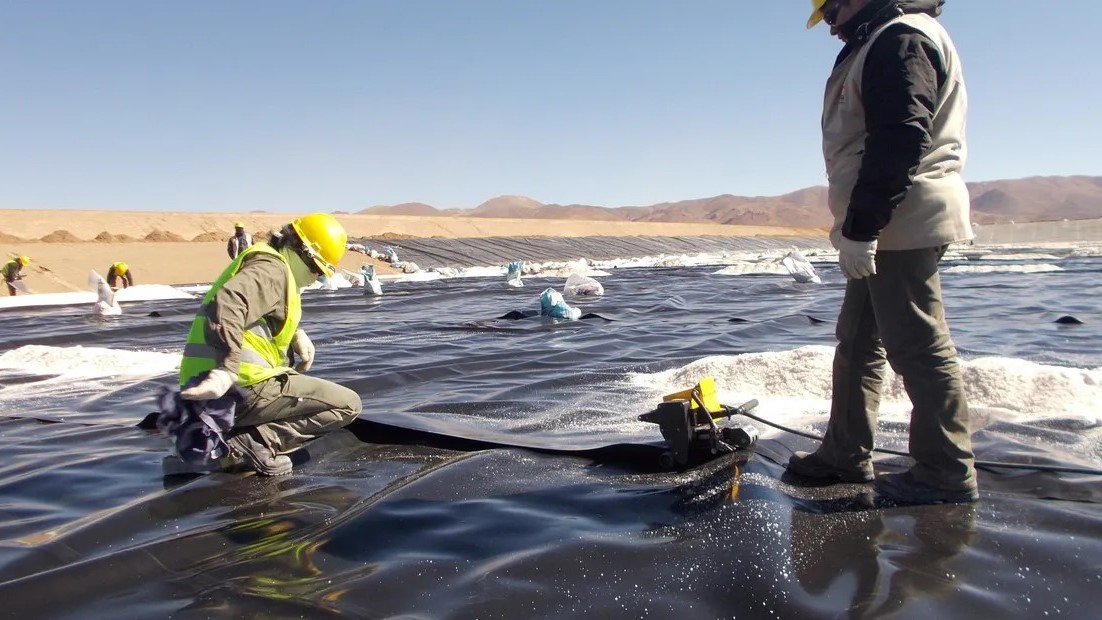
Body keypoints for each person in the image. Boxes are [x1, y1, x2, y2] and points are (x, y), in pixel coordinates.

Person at [785, 0, 977, 505]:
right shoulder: (877, 39)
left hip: (901, 218)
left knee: (916, 343)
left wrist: (864, 227)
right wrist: (860, 225)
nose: (830, 28)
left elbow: (901, 137)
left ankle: (945, 471)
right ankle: (844, 453)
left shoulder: (901, 39)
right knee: (857, 339)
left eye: (831, 14)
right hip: (883, 218)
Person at [171, 212, 362, 476]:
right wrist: (226, 370)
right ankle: (256, 440)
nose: (315, 279)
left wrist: (295, 334)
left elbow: (254, 309)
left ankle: (231, 435)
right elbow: (230, 302)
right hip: (237, 388)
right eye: (317, 270)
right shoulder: (273, 269)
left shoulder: (266, 262)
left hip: (206, 390)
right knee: (348, 404)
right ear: (302, 252)